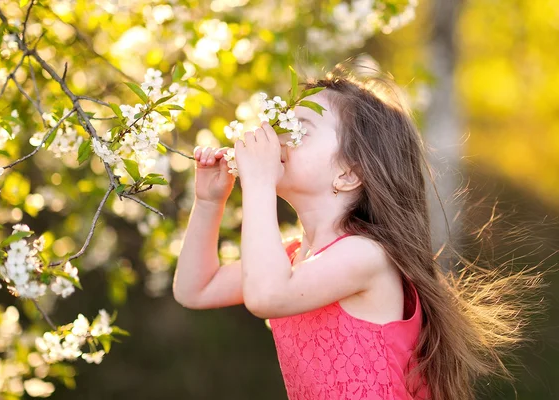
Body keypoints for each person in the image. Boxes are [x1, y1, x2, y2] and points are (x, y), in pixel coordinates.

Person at [173, 65, 542, 400]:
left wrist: (258, 185)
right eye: (284, 124)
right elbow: (195, 288)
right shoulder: (293, 258)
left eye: (301, 130)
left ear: (349, 174)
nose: (280, 137)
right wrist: (209, 203)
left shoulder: (367, 255)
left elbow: (266, 296)